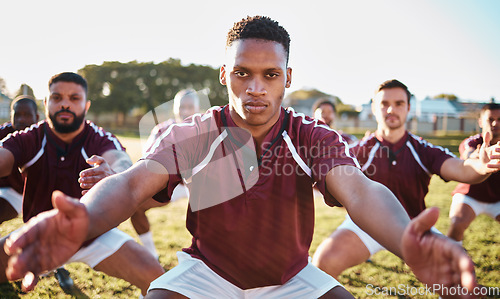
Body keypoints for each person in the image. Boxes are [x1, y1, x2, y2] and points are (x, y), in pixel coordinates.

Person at [3, 17, 491, 298]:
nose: (255, 88)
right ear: (224, 74)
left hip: (291, 276)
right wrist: (85, 218)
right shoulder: (194, 132)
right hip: (207, 272)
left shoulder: (309, 134)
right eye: (242, 73)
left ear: (287, 76)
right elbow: (133, 183)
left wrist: (408, 243)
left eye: (269, 75)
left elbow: (360, 191)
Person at [312, 79, 500, 285]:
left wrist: (481, 166)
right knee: (323, 263)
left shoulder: (422, 149)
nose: (391, 109)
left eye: (399, 103)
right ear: (374, 108)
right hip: (366, 225)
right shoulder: (358, 150)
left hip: (414, 224)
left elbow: (461, 168)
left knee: (456, 274)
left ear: (409, 107)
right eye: (384, 104)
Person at [0, 72, 164, 296]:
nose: (65, 104)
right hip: (39, 235)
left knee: (158, 280)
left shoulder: (98, 138)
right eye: (57, 98)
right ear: (46, 103)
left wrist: (114, 173)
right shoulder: (30, 137)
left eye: (74, 98)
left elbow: (122, 162)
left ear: (86, 106)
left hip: (93, 234)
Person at [132, 88, 201, 259]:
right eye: (181, 107)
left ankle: (206, 256)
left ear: (197, 109)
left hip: (201, 184)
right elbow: (147, 162)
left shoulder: (207, 127)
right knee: (135, 207)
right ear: (175, 109)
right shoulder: (162, 130)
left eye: (189, 107)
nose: (185, 111)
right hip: (172, 184)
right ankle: (151, 254)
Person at [447, 103, 500, 242]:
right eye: (490, 119)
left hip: (498, 199)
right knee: (456, 224)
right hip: (470, 196)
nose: (495, 123)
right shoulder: (472, 142)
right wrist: (479, 157)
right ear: (481, 122)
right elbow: (468, 155)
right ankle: (453, 259)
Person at [0, 95, 39, 225]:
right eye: (17, 115)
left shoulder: (43, 137)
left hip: (20, 194)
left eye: (27, 115)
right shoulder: (4, 132)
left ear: (36, 117)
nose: (21, 119)